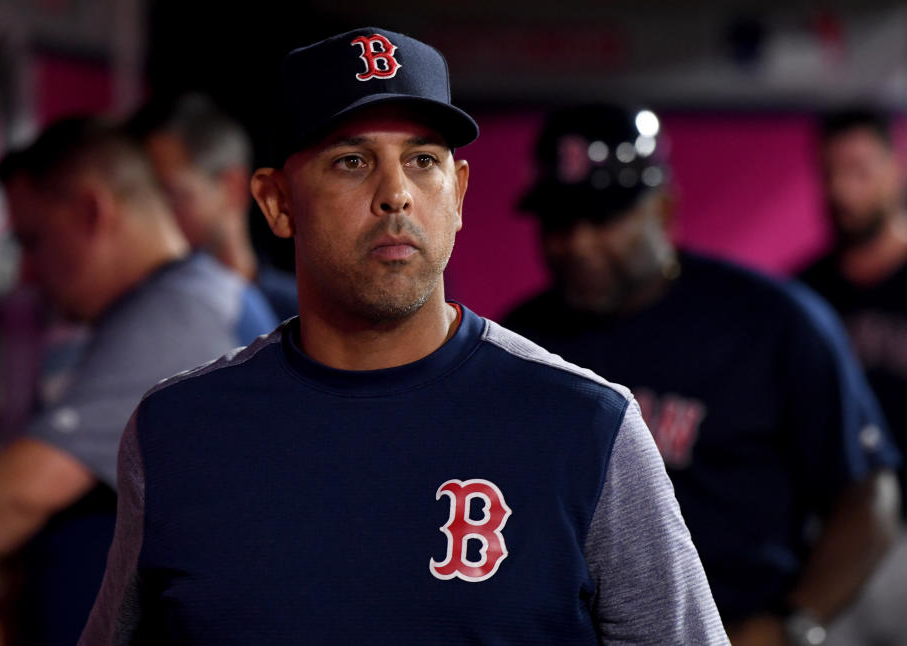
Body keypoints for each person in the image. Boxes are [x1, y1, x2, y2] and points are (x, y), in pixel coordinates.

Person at [82, 28, 728, 644]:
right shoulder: (176, 430)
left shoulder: (588, 426)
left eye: (422, 160)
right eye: (351, 161)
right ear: (277, 203)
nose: (395, 193)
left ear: (459, 195)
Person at [502, 104, 901, 646]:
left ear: (664, 208)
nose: (579, 244)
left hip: (739, 623)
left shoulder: (772, 322)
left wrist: (791, 625)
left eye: (604, 219)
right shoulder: (522, 343)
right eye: (559, 222)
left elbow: (868, 493)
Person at [0, 117, 276, 645]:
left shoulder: (182, 308)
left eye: (33, 241)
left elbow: (24, 492)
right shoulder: (175, 299)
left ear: (91, 211)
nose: (28, 273)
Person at [799, 108, 907, 646]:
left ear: (895, 169)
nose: (843, 189)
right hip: (831, 533)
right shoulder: (801, 297)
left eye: (860, 170)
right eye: (831, 173)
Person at [132, 94, 298, 320]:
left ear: (233, 188)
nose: (151, 217)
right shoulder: (136, 318)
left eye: (170, 194)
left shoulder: (305, 317)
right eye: (143, 200)